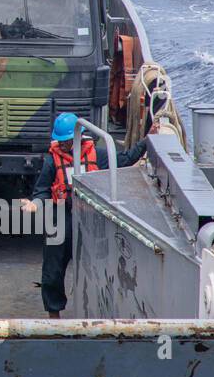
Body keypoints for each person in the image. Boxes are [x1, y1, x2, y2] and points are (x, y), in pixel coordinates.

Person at [21, 112, 148, 317]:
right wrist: (35, 204)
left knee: (100, 264)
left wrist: (147, 141)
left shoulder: (98, 155)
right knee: (53, 267)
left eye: (67, 142)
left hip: (92, 217)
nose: (63, 146)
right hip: (63, 216)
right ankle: (54, 312)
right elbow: (42, 189)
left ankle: (100, 309)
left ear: (79, 139)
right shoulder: (52, 161)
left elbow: (125, 159)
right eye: (60, 142)